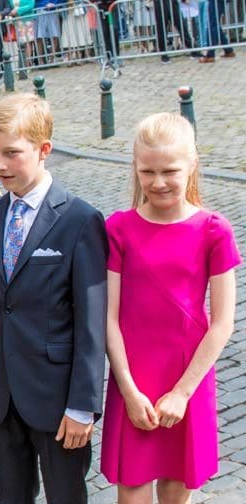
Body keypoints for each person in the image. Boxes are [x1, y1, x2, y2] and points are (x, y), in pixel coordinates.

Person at [0, 93, 107, 503]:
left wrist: (83, 404)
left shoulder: (80, 219)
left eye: (12, 153)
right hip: (2, 393)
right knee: (13, 494)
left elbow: (91, 320)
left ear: (44, 150)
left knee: (65, 494)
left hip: (57, 395)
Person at [100, 113, 241, 502]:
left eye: (169, 171)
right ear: (136, 168)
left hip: (187, 376)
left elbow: (223, 322)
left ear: (192, 164)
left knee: (177, 489)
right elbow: (109, 318)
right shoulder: (119, 229)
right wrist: (127, 388)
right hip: (134, 376)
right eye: (148, 171)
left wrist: (182, 392)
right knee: (131, 491)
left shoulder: (214, 230)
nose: (158, 182)